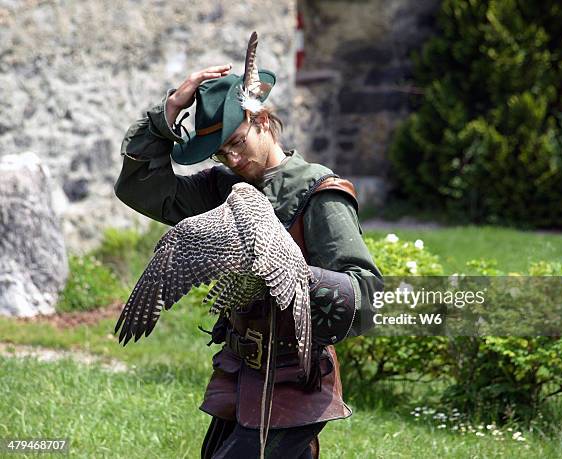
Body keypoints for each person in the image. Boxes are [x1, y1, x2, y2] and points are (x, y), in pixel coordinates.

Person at [114, 58, 383, 458]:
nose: (233, 161)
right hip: (240, 374)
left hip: (297, 380)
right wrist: (166, 114)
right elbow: (140, 188)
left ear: (261, 120)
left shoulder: (319, 193)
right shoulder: (222, 189)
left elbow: (368, 295)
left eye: (236, 143)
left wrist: (286, 272)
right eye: (221, 154)